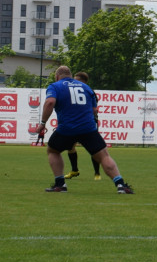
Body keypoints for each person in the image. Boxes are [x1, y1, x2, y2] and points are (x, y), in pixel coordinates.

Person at [38, 65, 133, 194]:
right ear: (71, 75)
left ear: (57, 76)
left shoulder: (55, 86)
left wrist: (43, 123)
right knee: (103, 155)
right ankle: (121, 185)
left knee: (53, 150)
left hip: (67, 128)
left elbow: (50, 102)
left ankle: (60, 184)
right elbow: (94, 110)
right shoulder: (86, 87)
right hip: (87, 128)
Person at [63, 71, 103, 181]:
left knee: (94, 149)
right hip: (74, 123)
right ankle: (74, 170)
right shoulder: (73, 91)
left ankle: (97, 173)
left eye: (77, 80)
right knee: (70, 147)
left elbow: (93, 108)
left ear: (84, 81)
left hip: (87, 124)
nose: (74, 82)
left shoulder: (89, 91)